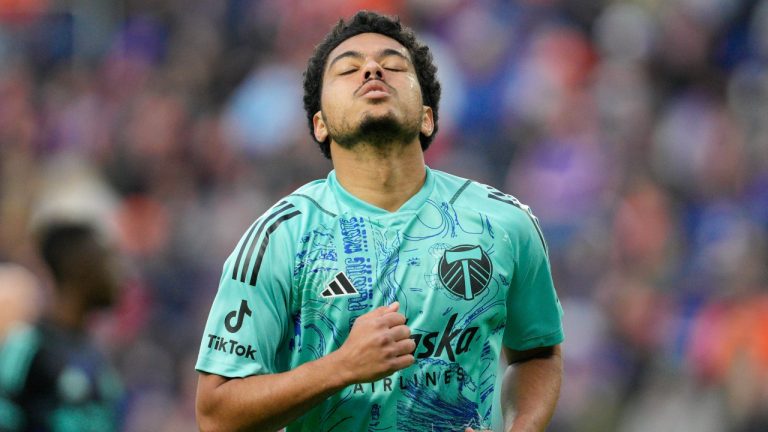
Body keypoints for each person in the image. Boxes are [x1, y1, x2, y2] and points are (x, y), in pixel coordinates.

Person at [195, 11, 563, 432]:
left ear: (427, 116)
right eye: (348, 69)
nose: (372, 69)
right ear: (321, 125)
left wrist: (522, 428)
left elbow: (537, 352)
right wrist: (341, 366)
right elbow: (216, 413)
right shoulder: (280, 237)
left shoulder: (505, 224)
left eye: (393, 65)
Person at [0, 221, 124, 432]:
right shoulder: (26, 347)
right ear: (79, 267)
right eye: (106, 261)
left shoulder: (97, 354)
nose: (119, 275)